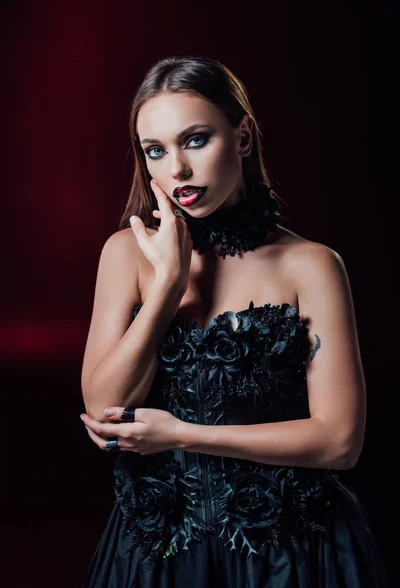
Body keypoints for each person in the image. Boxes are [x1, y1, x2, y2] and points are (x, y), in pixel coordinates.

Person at [80, 56, 388, 587]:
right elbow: (102, 408)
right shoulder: (125, 256)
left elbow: (341, 441)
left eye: (195, 140)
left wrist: (183, 435)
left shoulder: (311, 264)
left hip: (290, 553)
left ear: (242, 137)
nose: (176, 169)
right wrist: (169, 289)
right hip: (157, 551)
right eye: (155, 151)